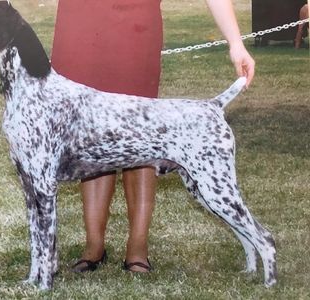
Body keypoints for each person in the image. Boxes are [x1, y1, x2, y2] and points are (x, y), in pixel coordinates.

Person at [51, 0, 255, 273]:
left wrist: (235, 43)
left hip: (134, 24)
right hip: (79, 25)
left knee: (144, 136)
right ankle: (93, 246)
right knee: (90, 138)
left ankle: (138, 247)